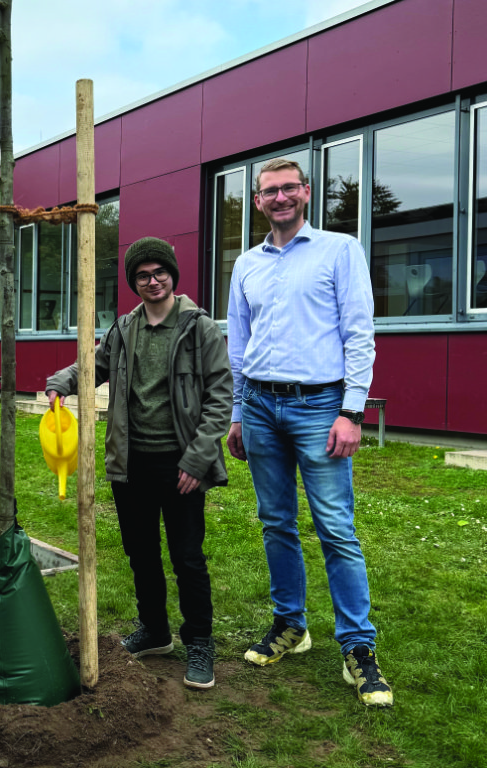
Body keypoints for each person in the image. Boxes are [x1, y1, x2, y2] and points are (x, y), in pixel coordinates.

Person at [226, 158, 392, 708]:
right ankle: (290, 626)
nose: (279, 198)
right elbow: (238, 345)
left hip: (320, 407)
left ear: (306, 192)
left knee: (336, 528)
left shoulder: (339, 250)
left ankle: (359, 648)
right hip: (262, 406)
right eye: (268, 191)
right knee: (276, 523)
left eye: (288, 189)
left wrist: (352, 411)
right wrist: (238, 412)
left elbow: (358, 332)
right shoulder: (246, 264)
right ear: (256, 201)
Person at [45, 237, 233, 690]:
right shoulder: (125, 328)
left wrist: (198, 458)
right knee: (141, 553)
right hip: (131, 463)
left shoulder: (198, 327)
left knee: (187, 557)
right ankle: (155, 631)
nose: (153, 281)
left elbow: (220, 396)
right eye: (143, 276)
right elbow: (93, 365)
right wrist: (60, 384)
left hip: (182, 464)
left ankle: (199, 641)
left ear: (172, 275)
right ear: (134, 283)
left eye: (159, 273)